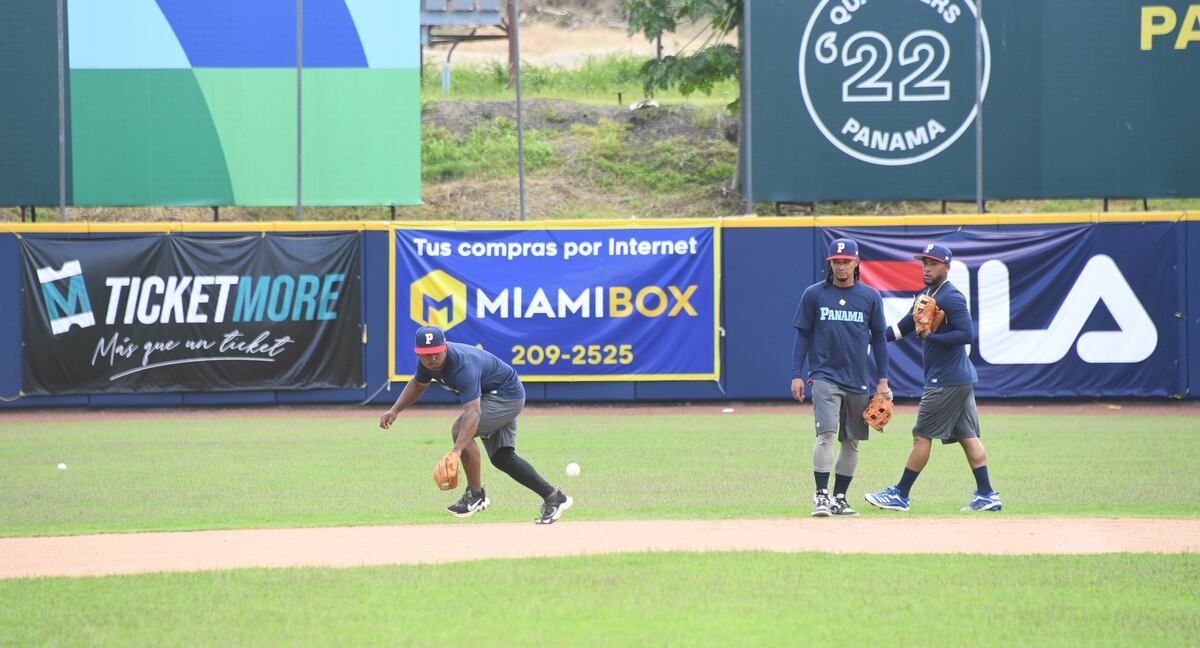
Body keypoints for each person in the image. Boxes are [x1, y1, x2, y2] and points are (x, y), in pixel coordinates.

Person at [379, 325, 573, 524]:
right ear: (418, 353)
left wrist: (456, 451)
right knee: (502, 458)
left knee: (459, 429)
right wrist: (395, 410)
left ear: (444, 347)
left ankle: (475, 494)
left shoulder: (462, 365)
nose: (431, 358)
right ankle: (555, 498)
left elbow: (473, 412)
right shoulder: (426, 364)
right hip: (495, 394)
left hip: (506, 395)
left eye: (436, 353)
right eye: (425, 354)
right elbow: (418, 384)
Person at [864, 243, 1002, 513]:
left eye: (933, 264)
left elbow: (966, 334)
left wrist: (931, 337)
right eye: (924, 263)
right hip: (958, 379)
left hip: (946, 380)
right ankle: (986, 494)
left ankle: (900, 494)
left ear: (946, 267)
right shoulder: (925, 295)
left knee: (921, 435)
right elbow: (901, 329)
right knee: (967, 435)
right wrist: (866, 338)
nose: (927, 268)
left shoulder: (951, 297)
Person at [791, 238, 891, 517]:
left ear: (857, 263)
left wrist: (883, 379)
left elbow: (880, 339)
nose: (841, 266)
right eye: (836, 261)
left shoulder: (870, 297)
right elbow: (802, 334)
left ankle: (840, 497)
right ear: (830, 264)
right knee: (826, 434)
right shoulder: (814, 295)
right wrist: (796, 374)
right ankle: (821, 495)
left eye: (846, 261)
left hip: (858, 379)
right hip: (824, 376)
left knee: (852, 441)